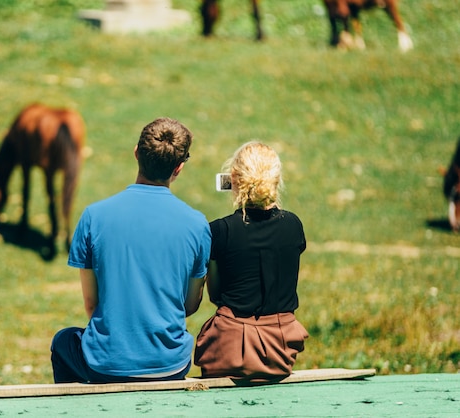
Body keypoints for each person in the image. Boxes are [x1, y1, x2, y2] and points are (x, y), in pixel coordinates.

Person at [51, 117, 211, 384]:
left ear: (136, 153)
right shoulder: (197, 224)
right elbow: (190, 304)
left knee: (63, 341)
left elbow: (92, 305)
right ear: (179, 168)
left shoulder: (93, 216)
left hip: (105, 365)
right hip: (170, 364)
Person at [194, 141, 308, 382]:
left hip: (229, 349)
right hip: (280, 352)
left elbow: (215, 295)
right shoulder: (293, 225)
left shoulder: (220, 231)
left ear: (233, 180)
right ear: (276, 181)